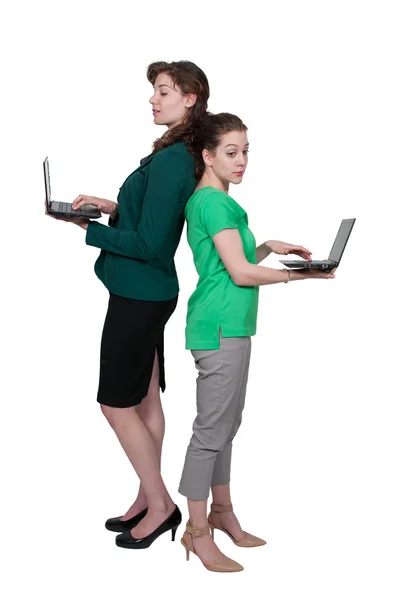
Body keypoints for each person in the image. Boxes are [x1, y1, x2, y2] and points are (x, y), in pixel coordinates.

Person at [48, 61, 210, 550]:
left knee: (114, 404)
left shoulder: (173, 159)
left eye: (163, 91)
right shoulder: (175, 152)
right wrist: (111, 206)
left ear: (191, 97)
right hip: (147, 291)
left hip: (140, 293)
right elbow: (150, 220)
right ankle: (147, 494)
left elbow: (149, 244)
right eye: (154, 91)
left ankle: (161, 506)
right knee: (144, 399)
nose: (153, 99)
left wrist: (86, 227)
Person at [178, 112, 336, 572]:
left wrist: (267, 245)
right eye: (231, 152)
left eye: (246, 151)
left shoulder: (211, 201)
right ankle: (197, 529)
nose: (242, 160)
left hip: (230, 325)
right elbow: (240, 273)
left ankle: (223, 513)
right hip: (220, 326)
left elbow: (227, 259)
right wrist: (303, 276)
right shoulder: (215, 203)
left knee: (226, 427)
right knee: (210, 433)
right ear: (207, 155)